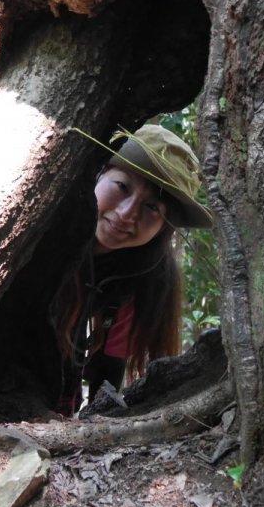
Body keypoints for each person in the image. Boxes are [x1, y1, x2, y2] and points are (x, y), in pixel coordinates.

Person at [51, 124, 213, 414]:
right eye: (122, 187)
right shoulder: (43, 230)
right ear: (99, 173)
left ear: (164, 227)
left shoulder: (145, 278)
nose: (127, 214)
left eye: (152, 207)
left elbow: (109, 370)